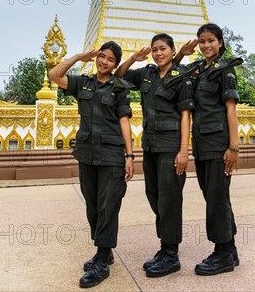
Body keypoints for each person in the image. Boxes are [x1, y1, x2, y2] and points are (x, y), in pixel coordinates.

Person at [49, 41, 134, 289]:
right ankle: (104, 251)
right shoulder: (82, 83)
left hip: (111, 154)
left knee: (109, 205)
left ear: (116, 64)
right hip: (87, 153)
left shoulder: (120, 87)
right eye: (102, 57)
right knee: (93, 205)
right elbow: (54, 74)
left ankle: (102, 259)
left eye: (110, 59)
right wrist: (78, 57)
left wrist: (129, 156)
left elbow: (124, 121)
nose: (104, 62)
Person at [115, 33, 194, 278]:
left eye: (163, 49)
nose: (158, 53)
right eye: (155, 49)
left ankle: (172, 255)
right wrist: (133, 58)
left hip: (171, 146)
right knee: (155, 197)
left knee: (170, 200)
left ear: (173, 51)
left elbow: (185, 115)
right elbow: (118, 77)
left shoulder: (181, 77)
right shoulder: (146, 73)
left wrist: (183, 150)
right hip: (150, 145)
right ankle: (164, 246)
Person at [175, 24, 243, 276]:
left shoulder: (225, 70)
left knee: (216, 199)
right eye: (202, 41)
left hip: (218, 144)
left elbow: (231, 109)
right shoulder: (197, 70)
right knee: (215, 197)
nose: (205, 45)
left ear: (220, 42)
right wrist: (181, 52)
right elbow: (174, 71)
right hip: (201, 144)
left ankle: (222, 253)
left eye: (211, 40)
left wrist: (233, 147)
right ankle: (230, 249)